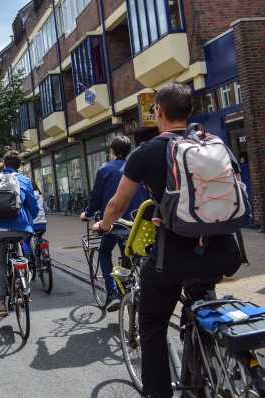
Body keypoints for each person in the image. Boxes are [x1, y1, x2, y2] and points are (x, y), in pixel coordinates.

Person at [93, 82, 242, 398]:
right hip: (223, 251)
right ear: (189, 112)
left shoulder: (146, 153)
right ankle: (203, 372)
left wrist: (104, 226)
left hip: (172, 259)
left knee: (152, 325)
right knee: (202, 302)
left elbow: (117, 204)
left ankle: (158, 393)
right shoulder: (215, 145)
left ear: (157, 112)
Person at [80, 135, 147, 312]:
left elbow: (96, 197)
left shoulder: (105, 170)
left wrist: (86, 213)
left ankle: (112, 294)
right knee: (132, 255)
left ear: (112, 152)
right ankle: (133, 286)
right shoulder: (137, 168)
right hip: (136, 222)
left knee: (104, 251)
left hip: (113, 223)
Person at [0, 150, 39, 316]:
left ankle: (1, 303)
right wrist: (27, 221)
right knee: (21, 247)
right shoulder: (25, 180)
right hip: (21, 228)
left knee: (1, 263)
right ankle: (23, 277)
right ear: (19, 166)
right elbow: (34, 208)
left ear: (3, 164)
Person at [23, 181, 47, 266]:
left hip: (32, 224)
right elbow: (45, 209)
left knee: (26, 241)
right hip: (42, 223)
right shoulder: (40, 196)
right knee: (39, 237)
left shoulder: (27, 197)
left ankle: (29, 260)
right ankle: (44, 254)